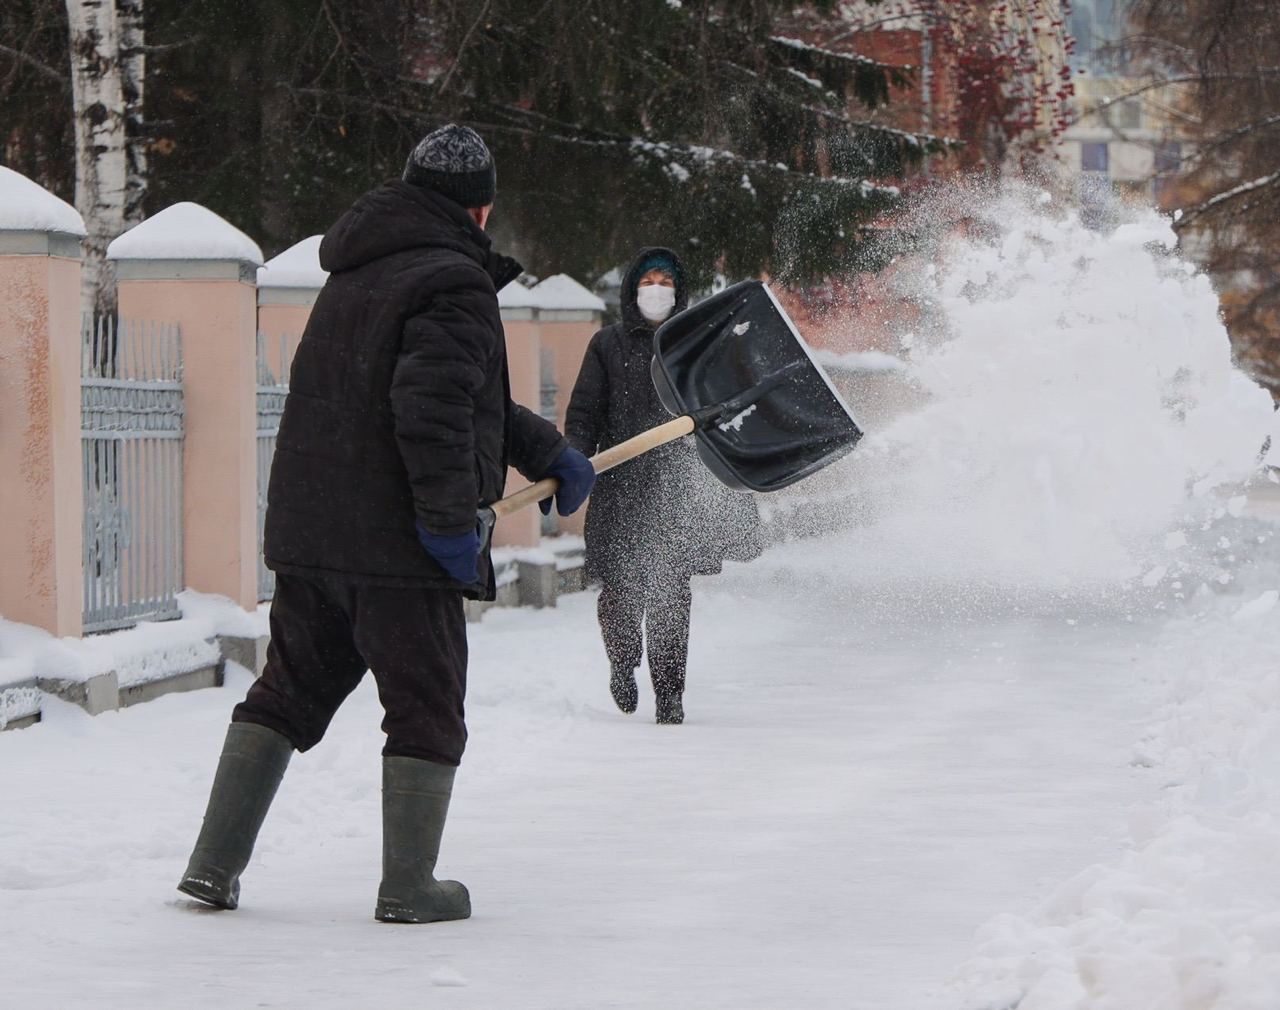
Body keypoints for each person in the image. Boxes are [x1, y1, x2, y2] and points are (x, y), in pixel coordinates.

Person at [176, 124, 596, 924]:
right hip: (397, 549)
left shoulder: (358, 274)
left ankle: (212, 864)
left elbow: (447, 394)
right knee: (426, 707)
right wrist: (443, 526)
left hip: (314, 538)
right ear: (481, 212)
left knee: (287, 693)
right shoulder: (455, 283)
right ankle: (409, 886)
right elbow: (431, 410)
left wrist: (546, 449)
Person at [566, 248, 761, 725]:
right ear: (633, 289)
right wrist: (573, 459)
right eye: (648, 280)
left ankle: (670, 697)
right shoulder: (606, 345)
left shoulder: (691, 345)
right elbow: (584, 412)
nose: (657, 289)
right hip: (618, 485)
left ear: (679, 292)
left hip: (675, 489)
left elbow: (720, 410)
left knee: (670, 593)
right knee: (620, 589)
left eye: (666, 281)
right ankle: (622, 660)